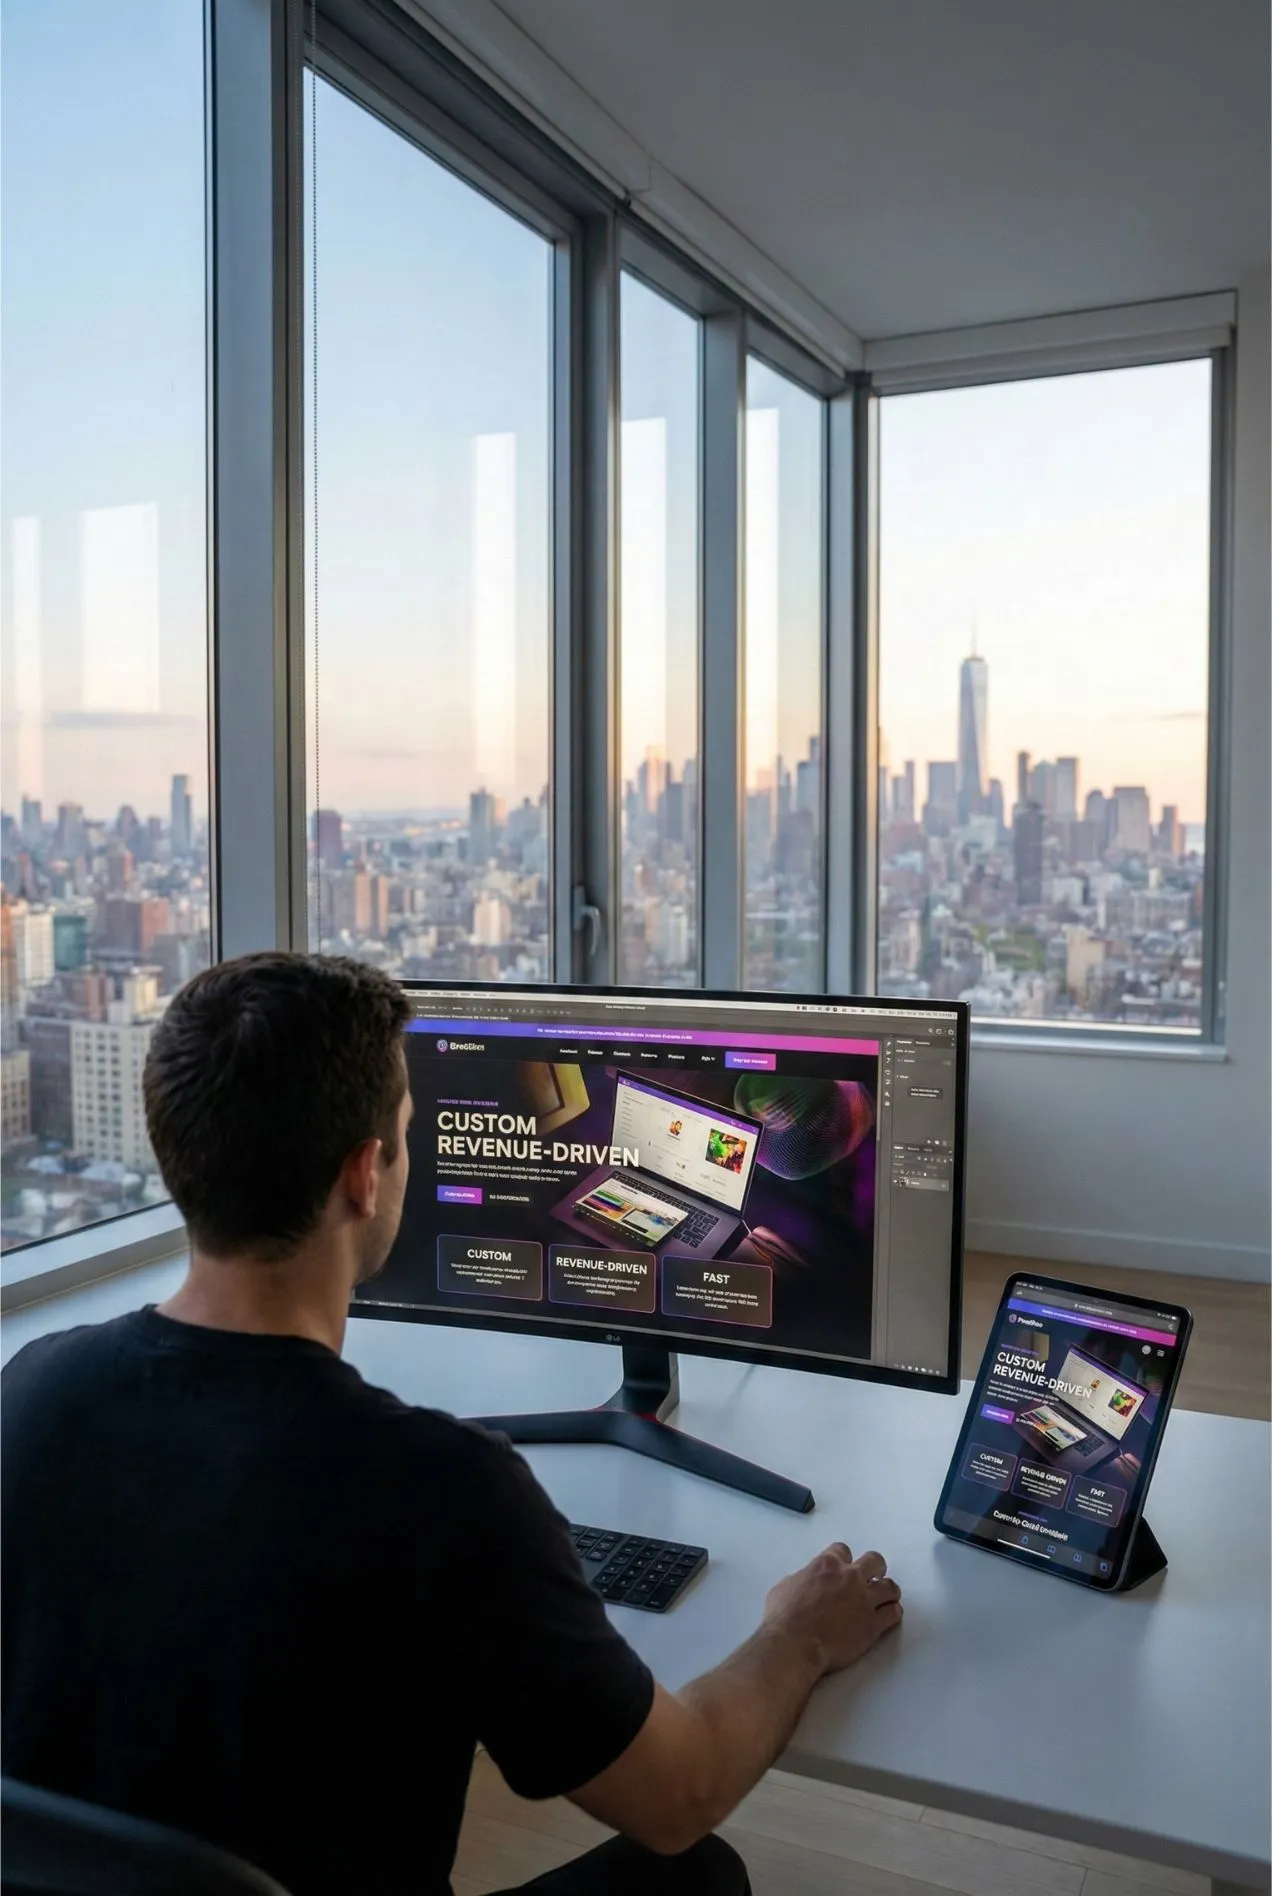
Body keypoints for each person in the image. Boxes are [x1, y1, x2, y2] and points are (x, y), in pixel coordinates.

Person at [1, 954, 903, 1896]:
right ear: (365, 1175)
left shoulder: (29, 1390)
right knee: (698, 1875)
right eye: (406, 1134)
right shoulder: (441, 1489)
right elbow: (679, 1796)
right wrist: (798, 1637)